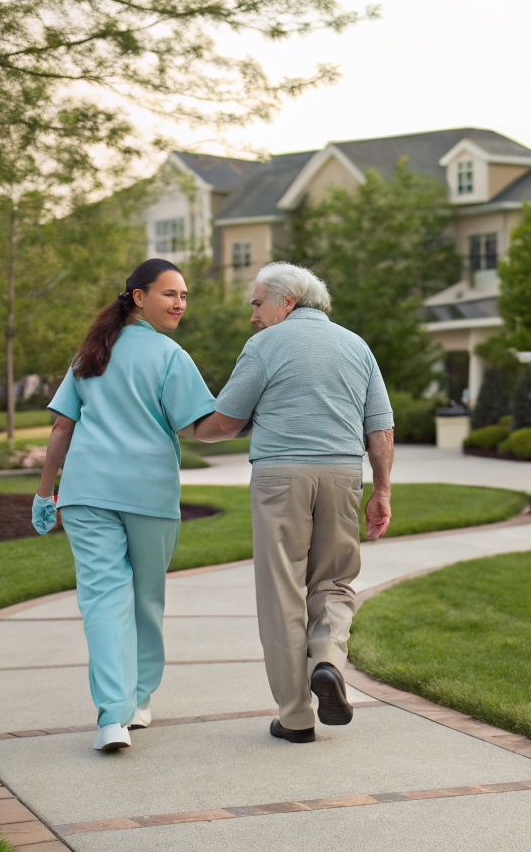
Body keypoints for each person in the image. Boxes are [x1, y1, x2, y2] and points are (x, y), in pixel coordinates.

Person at [193, 262, 393, 744]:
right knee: (336, 580)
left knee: (282, 589)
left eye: (257, 304)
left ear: (287, 301)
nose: (253, 317)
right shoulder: (356, 344)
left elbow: (225, 421)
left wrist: (181, 430)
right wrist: (382, 489)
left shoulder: (264, 346)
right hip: (344, 475)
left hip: (281, 476)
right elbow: (380, 428)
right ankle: (326, 660)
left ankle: (297, 716)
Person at [32, 259, 215, 752]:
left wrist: (45, 492)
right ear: (138, 297)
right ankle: (131, 705)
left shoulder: (91, 353)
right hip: (147, 494)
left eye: (183, 296)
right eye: (169, 294)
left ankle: (114, 715)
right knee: (144, 600)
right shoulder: (171, 357)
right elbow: (203, 426)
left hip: (86, 493)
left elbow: (61, 429)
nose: (179, 303)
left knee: (102, 600)